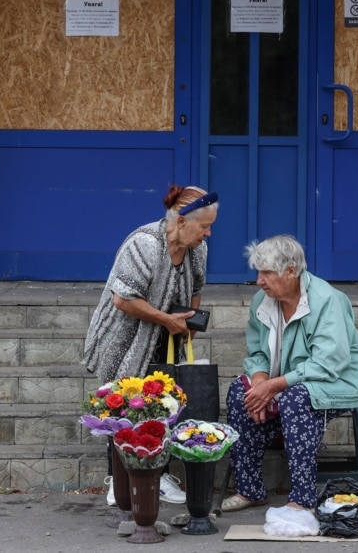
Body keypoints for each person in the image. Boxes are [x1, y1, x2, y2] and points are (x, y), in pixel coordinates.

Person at [82, 184, 219, 505]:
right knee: (126, 406)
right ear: (181, 221)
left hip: (166, 337)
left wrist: (189, 323)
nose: (208, 234)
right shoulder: (144, 244)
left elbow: (197, 288)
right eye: (204, 226)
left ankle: (158, 476)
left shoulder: (197, 248)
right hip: (124, 338)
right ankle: (119, 481)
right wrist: (165, 319)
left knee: (164, 405)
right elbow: (123, 298)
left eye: (211, 227)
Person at [220, 234, 358, 513]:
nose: (259, 281)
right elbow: (257, 354)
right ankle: (250, 489)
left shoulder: (326, 300)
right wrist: (260, 381)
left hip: (339, 380)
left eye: (266, 273)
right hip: (290, 381)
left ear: (290, 271)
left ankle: (302, 498)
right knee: (239, 392)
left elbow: (329, 363)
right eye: (258, 273)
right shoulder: (261, 301)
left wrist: (276, 385)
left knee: (294, 398)